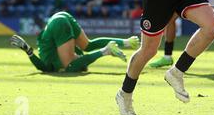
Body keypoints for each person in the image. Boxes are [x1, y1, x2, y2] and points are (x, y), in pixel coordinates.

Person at [10, 11, 140, 72]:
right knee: (88, 45)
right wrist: (28, 51)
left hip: (56, 25)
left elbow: (42, 67)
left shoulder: (53, 64)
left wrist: (28, 51)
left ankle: (106, 51)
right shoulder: (66, 53)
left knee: (70, 66)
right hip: (61, 15)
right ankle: (127, 42)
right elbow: (82, 57)